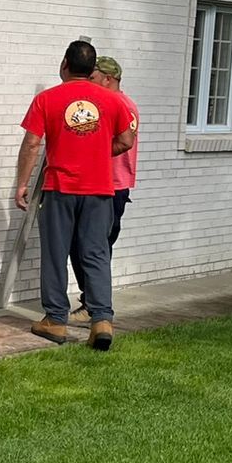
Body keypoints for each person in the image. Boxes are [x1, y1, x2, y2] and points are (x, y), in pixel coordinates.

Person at [12, 39, 138, 350]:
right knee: (96, 254)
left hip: (60, 188)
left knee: (56, 253)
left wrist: (22, 183)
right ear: (92, 68)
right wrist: (95, 152)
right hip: (100, 190)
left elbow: (31, 143)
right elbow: (126, 140)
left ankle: (56, 320)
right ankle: (102, 320)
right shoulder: (113, 100)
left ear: (65, 64)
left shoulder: (47, 99)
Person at [72, 54, 138, 325]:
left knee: (95, 246)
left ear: (108, 79)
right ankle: (92, 300)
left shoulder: (121, 105)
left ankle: (94, 305)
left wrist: (89, 154)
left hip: (112, 186)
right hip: (100, 183)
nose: (89, 81)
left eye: (93, 77)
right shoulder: (106, 103)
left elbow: (124, 142)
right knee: (83, 244)